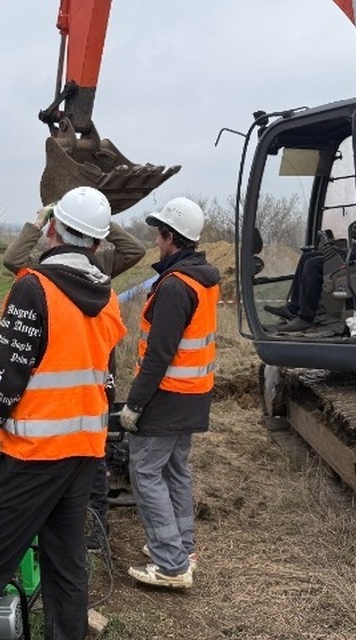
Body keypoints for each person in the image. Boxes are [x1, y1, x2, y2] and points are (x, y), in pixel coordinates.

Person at [0, 186, 127, 640]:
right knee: (66, 567)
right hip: (83, 454)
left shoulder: (33, 288)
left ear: (52, 228)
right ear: (98, 243)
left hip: (32, 458)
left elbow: (4, 382)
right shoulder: (108, 297)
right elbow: (104, 377)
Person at [2, 199, 145, 548]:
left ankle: (92, 532)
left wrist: (95, 219)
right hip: (80, 374)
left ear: (55, 228)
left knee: (90, 454)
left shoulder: (90, 265)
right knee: (86, 450)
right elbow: (12, 259)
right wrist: (59, 224)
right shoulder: (49, 270)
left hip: (90, 373)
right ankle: (79, 534)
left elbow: (135, 250)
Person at [118, 196, 221, 589]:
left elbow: (158, 354)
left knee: (145, 472)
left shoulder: (176, 286)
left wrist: (135, 404)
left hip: (167, 395)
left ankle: (170, 564)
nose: (156, 241)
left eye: (159, 234)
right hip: (193, 394)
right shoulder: (202, 279)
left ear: (170, 237)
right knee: (175, 469)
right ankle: (182, 549)